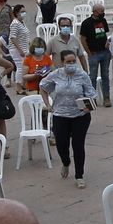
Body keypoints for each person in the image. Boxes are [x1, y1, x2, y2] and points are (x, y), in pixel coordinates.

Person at [42, 49, 96, 188]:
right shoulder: (55, 75)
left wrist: (88, 106)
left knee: (78, 145)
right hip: (60, 114)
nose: (71, 64)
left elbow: (91, 93)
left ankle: (79, 175)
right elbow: (43, 87)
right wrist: (47, 104)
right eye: (68, 62)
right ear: (62, 62)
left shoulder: (82, 75)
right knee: (61, 144)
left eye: (74, 61)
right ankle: (66, 162)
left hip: (80, 115)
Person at [79, 0, 113, 106]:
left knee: (105, 75)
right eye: (100, 11)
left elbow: (105, 34)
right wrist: (88, 52)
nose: (102, 13)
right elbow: (83, 38)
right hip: (93, 53)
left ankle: (106, 97)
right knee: (92, 77)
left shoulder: (103, 21)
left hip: (105, 52)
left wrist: (108, 43)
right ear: (94, 12)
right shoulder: (86, 23)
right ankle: (92, 97)